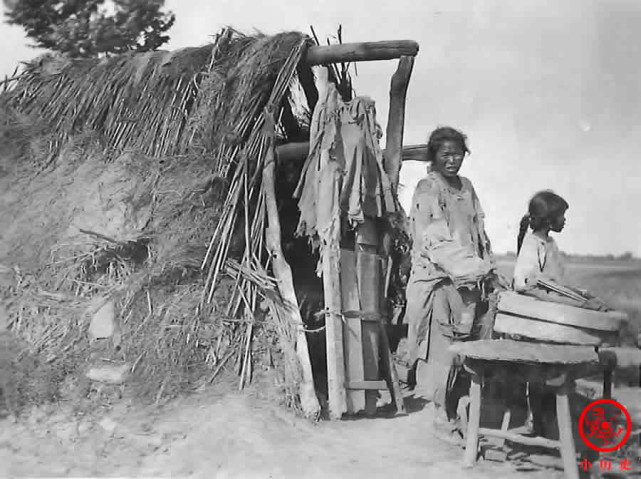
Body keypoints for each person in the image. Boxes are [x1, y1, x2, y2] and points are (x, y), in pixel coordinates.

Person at [405, 126, 503, 444]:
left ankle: (463, 408)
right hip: (440, 279)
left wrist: (487, 267)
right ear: (433, 157)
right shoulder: (427, 188)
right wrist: (470, 267)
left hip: (470, 281)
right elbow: (433, 239)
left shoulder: (467, 187)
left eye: (457, 154)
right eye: (445, 154)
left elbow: (479, 231)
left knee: (471, 345)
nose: (452, 160)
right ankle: (440, 415)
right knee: (443, 350)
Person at [513, 190, 609, 311]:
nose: (564, 220)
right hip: (535, 301)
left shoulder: (550, 243)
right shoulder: (532, 244)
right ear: (549, 220)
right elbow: (529, 286)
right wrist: (580, 304)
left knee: (591, 298)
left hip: (550, 295)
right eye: (562, 215)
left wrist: (580, 294)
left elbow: (555, 285)